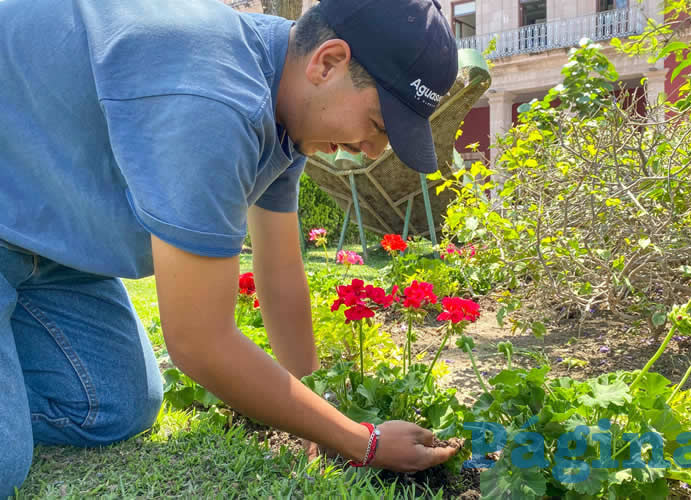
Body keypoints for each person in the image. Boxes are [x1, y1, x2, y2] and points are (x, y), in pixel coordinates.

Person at [0, 0, 459, 495]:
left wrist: (316, 413)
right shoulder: (216, 100)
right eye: (378, 124)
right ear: (327, 63)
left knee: (117, 405)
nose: (374, 150)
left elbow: (280, 275)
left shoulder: (286, 106)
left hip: (46, 245)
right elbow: (200, 343)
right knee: (7, 460)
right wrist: (360, 442)